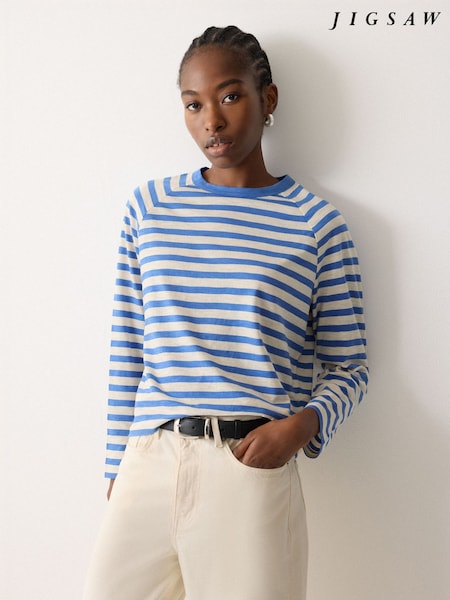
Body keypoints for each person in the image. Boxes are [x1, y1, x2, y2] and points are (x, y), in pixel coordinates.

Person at [82, 25, 368, 600]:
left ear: (268, 99)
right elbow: (128, 347)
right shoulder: (150, 207)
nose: (211, 120)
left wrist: (301, 427)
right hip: (150, 460)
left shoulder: (317, 225)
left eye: (230, 96)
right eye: (194, 105)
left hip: (249, 466)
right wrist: (118, 468)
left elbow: (350, 366)